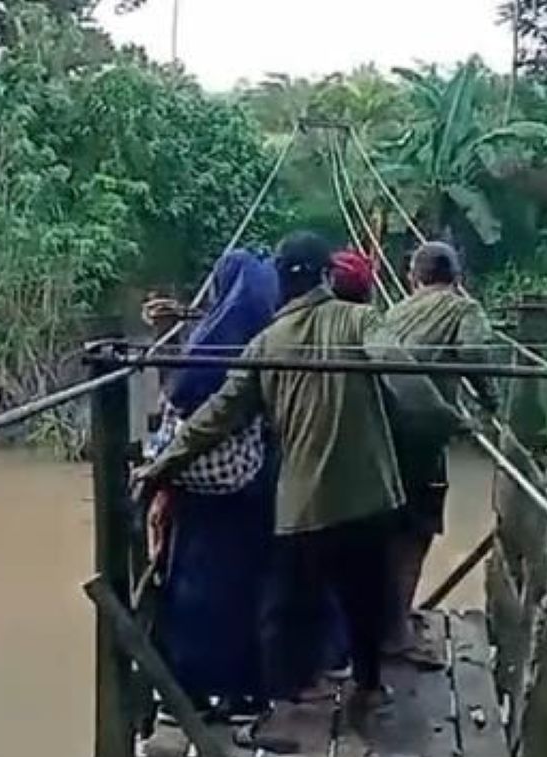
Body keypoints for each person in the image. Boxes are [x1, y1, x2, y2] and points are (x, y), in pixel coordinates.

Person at [134, 232, 462, 715]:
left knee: (283, 605)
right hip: (370, 494)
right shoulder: (359, 318)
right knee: (365, 599)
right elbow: (402, 375)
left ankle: (279, 697)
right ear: (327, 277)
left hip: (302, 503)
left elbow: (217, 415)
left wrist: (160, 466)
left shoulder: (266, 342)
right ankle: (367, 688)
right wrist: (448, 421)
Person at [147, 249, 281, 720]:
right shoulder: (264, 337)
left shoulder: (208, 335)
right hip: (243, 488)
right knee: (245, 589)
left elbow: (178, 394)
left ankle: (184, 692)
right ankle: (243, 693)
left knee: (190, 588)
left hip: (193, 486)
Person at [381, 241, 498, 663]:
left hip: (379, 433)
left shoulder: (395, 311)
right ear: (457, 277)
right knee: (417, 529)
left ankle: (386, 619)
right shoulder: (463, 309)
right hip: (422, 435)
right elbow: (473, 353)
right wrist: (490, 398)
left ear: (415, 278)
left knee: (389, 526)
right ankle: (396, 630)